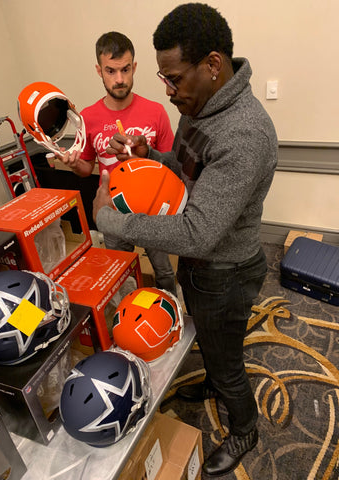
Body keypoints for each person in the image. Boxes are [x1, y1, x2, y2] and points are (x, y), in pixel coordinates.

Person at [92, 4, 277, 477]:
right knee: (212, 348)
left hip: (226, 271)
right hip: (204, 266)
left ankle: (244, 428)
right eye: (163, 77)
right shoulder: (202, 103)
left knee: (226, 359)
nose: (168, 90)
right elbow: (187, 170)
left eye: (174, 78)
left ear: (212, 66)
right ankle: (215, 381)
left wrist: (113, 222)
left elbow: (197, 230)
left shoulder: (245, 133)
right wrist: (149, 154)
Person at [59, 31, 177, 296]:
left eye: (125, 69)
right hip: (113, 211)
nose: (120, 79)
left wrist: (143, 159)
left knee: (165, 272)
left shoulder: (156, 111)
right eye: (111, 71)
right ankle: (128, 320)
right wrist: (73, 163)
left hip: (152, 211)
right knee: (118, 274)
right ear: (99, 70)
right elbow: (87, 168)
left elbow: (172, 165)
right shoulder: (88, 117)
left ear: (134, 66)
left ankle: (172, 314)